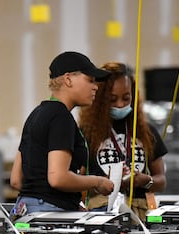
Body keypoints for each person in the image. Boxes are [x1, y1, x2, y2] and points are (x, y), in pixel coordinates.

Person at [9, 51, 114, 217]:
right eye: (90, 80)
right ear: (68, 79)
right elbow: (58, 178)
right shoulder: (61, 117)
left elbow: (16, 180)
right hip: (49, 212)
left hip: (25, 208)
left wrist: (69, 202)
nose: (96, 86)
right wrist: (98, 181)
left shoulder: (37, 114)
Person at [78, 62, 167, 221]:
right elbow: (77, 180)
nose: (120, 105)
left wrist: (145, 181)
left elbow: (161, 181)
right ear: (100, 100)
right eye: (112, 99)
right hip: (104, 213)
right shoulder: (87, 133)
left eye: (126, 98)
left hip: (143, 213)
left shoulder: (146, 132)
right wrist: (101, 183)